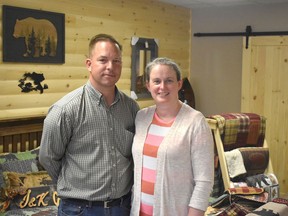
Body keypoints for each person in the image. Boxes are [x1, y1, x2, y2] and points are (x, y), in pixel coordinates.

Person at [39, 33, 140, 216]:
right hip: (79, 209)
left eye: (116, 61)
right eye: (103, 60)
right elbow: (48, 157)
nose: (111, 67)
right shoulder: (65, 110)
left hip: (122, 207)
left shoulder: (131, 108)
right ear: (89, 64)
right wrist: (75, 184)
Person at [130, 57, 214, 216]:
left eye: (169, 80)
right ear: (148, 86)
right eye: (156, 81)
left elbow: (204, 181)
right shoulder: (141, 117)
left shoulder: (195, 122)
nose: (162, 87)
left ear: (179, 84)